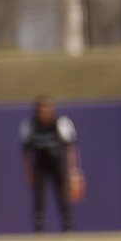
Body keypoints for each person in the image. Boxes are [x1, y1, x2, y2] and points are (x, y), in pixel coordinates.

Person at [19, 96, 83, 233]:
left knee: (62, 197)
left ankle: (68, 229)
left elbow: (70, 148)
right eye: (41, 109)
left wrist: (73, 171)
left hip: (57, 165)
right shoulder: (30, 125)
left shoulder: (60, 123)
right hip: (39, 166)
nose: (44, 112)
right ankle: (39, 231)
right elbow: (26, 151)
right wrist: (28, 170)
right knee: (39, 199)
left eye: (46, 109)